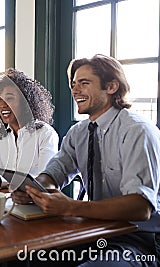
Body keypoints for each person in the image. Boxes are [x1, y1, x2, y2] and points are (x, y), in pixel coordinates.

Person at [13, 54, 160, 266]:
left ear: (111, 87)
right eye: (73, 84)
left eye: (84, 83)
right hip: (98, 231)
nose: (74, 90)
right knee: (26, 255)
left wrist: (70, 206)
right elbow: (55, 172)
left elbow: (140, 207)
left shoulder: (138, 131)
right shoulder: (78, 133)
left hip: (142, 241)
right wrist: (34, 190)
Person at [0, 68, 59, 189]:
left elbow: (44, 179)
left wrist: (0, 181)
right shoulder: (4, 135)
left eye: (9, 98)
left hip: (33, 204)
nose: (2, 105)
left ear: (26, 102)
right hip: (9, 200)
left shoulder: (45, 134)